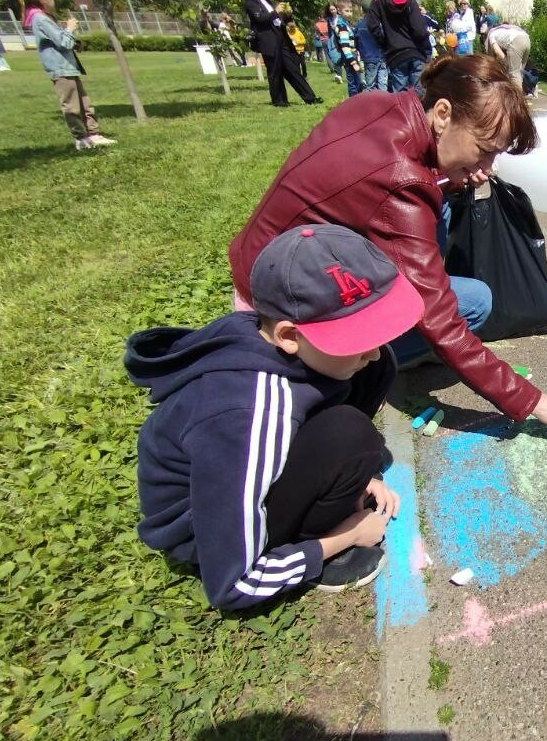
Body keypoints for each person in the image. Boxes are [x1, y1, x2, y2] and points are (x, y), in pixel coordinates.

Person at [228, 54, 547, 437]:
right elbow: (439, 317)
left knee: (444, 223)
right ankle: (350, 365)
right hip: (283, 313)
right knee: (474, 303)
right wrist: (534, 401)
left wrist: (448, 179)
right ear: (444, 113)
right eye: (484, 148)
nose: (487, 167)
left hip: (260, 267)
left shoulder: (378, 104)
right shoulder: (403, 183)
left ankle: (371, 351)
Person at [126, 224, 426, 609]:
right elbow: (234, 584)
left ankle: (332, 486)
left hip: (245, 472)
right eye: (354, 339)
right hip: (209, 532)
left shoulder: (286, 347)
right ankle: (302, 541)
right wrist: (347, 535)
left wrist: (361, 477)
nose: (371, 351)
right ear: (288, 335)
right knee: (350, 434)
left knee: (376, 369)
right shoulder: (245, 415)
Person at [16, 0, 116, 151]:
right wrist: (69, 28)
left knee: (85, 103)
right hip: (60, 69)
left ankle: (94, 134)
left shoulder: (43, 18)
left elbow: (60, 42)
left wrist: (73, 42)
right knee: (72, 106)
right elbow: (63, 42)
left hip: (68, 67)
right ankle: (81, 138)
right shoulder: (40, 18)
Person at [243, 0, 322, 108]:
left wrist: (286, 14)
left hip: (281, 39)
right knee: (275, 71)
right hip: (268, 41)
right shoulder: (251, 1)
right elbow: (260, 19)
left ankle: (310, 97)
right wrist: (275, 10)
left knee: (293, 69)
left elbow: (277, 19)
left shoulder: (267, 1)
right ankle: (279, 101)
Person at [368, 0, 431, 94]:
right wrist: (425, 49)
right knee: (420, 97)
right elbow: (420, 30)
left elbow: (372, 25)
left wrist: (385, 42)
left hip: (396, 55)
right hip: (416, 53)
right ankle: (419, 116)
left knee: (400, 98)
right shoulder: (409, 1)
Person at [329, 0, 365, 97]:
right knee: (354, 82)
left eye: (350, 11)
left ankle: (357, 100)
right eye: (346, 11)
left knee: (357, 80)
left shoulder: (346, 23)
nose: (349, 13)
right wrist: (353, 63)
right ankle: (354, 102)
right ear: (339, 11)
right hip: (349, 56)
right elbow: (345, 47)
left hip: (352, 54)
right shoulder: (342, 26)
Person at [486, 21, 532, 91]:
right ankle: (521, 95)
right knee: (520, 72)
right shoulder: (505, 29)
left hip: (516, 41)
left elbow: (500, 55)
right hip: (527, 40)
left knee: (514, 74)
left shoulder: (491, 35)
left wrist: (504, 64)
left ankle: (518, 100)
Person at [357, 0, 389, 92]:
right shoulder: (379, 24)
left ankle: (371, 103)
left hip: (369, 57)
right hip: (382, 56)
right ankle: (384, 103)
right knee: (383, 84)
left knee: (370, 85)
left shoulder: (360, 25)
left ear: (362, 10)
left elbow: (356, 42)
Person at [278, 2, 310, 80]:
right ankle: (298, 76)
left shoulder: (298, 31)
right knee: (296, 63)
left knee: (303, 64)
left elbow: (303, 41)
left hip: (300, 50)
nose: (292, 29)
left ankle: (304, 74)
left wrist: (298, 42)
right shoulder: (287, 31)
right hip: (293, 49)